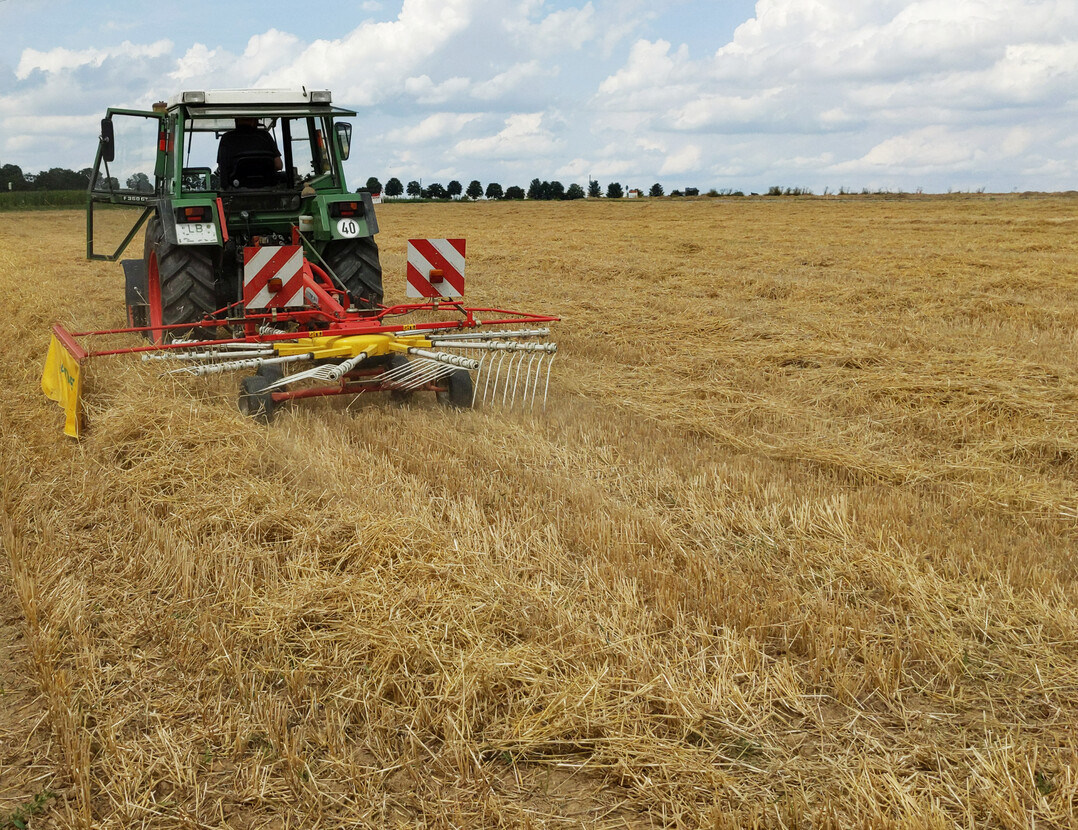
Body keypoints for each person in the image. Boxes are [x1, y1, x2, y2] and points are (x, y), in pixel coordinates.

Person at [216, 117, 283, 188]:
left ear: (236, 120)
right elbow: (278, 165)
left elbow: (223, 168)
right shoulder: (265, 136)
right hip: (267, 188)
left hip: (237, 188)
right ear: (255, 120)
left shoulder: (227, 138)